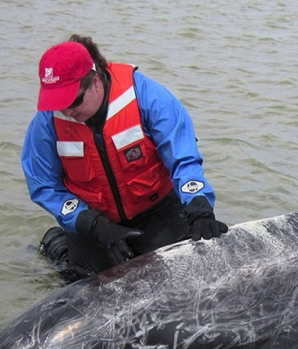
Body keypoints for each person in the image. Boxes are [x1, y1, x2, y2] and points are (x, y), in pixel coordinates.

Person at [22, 35, 228, 282]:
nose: (66, 111)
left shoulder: (146, 96)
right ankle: (57, 244)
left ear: (95, 81)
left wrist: (198, 205)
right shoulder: (45, 124)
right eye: (57, 103)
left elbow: (182, 157)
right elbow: (43, 185)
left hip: (156, 211)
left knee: (183, 279)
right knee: (83, 286)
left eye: (73, 101)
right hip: (92, 221)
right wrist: (92, 224)